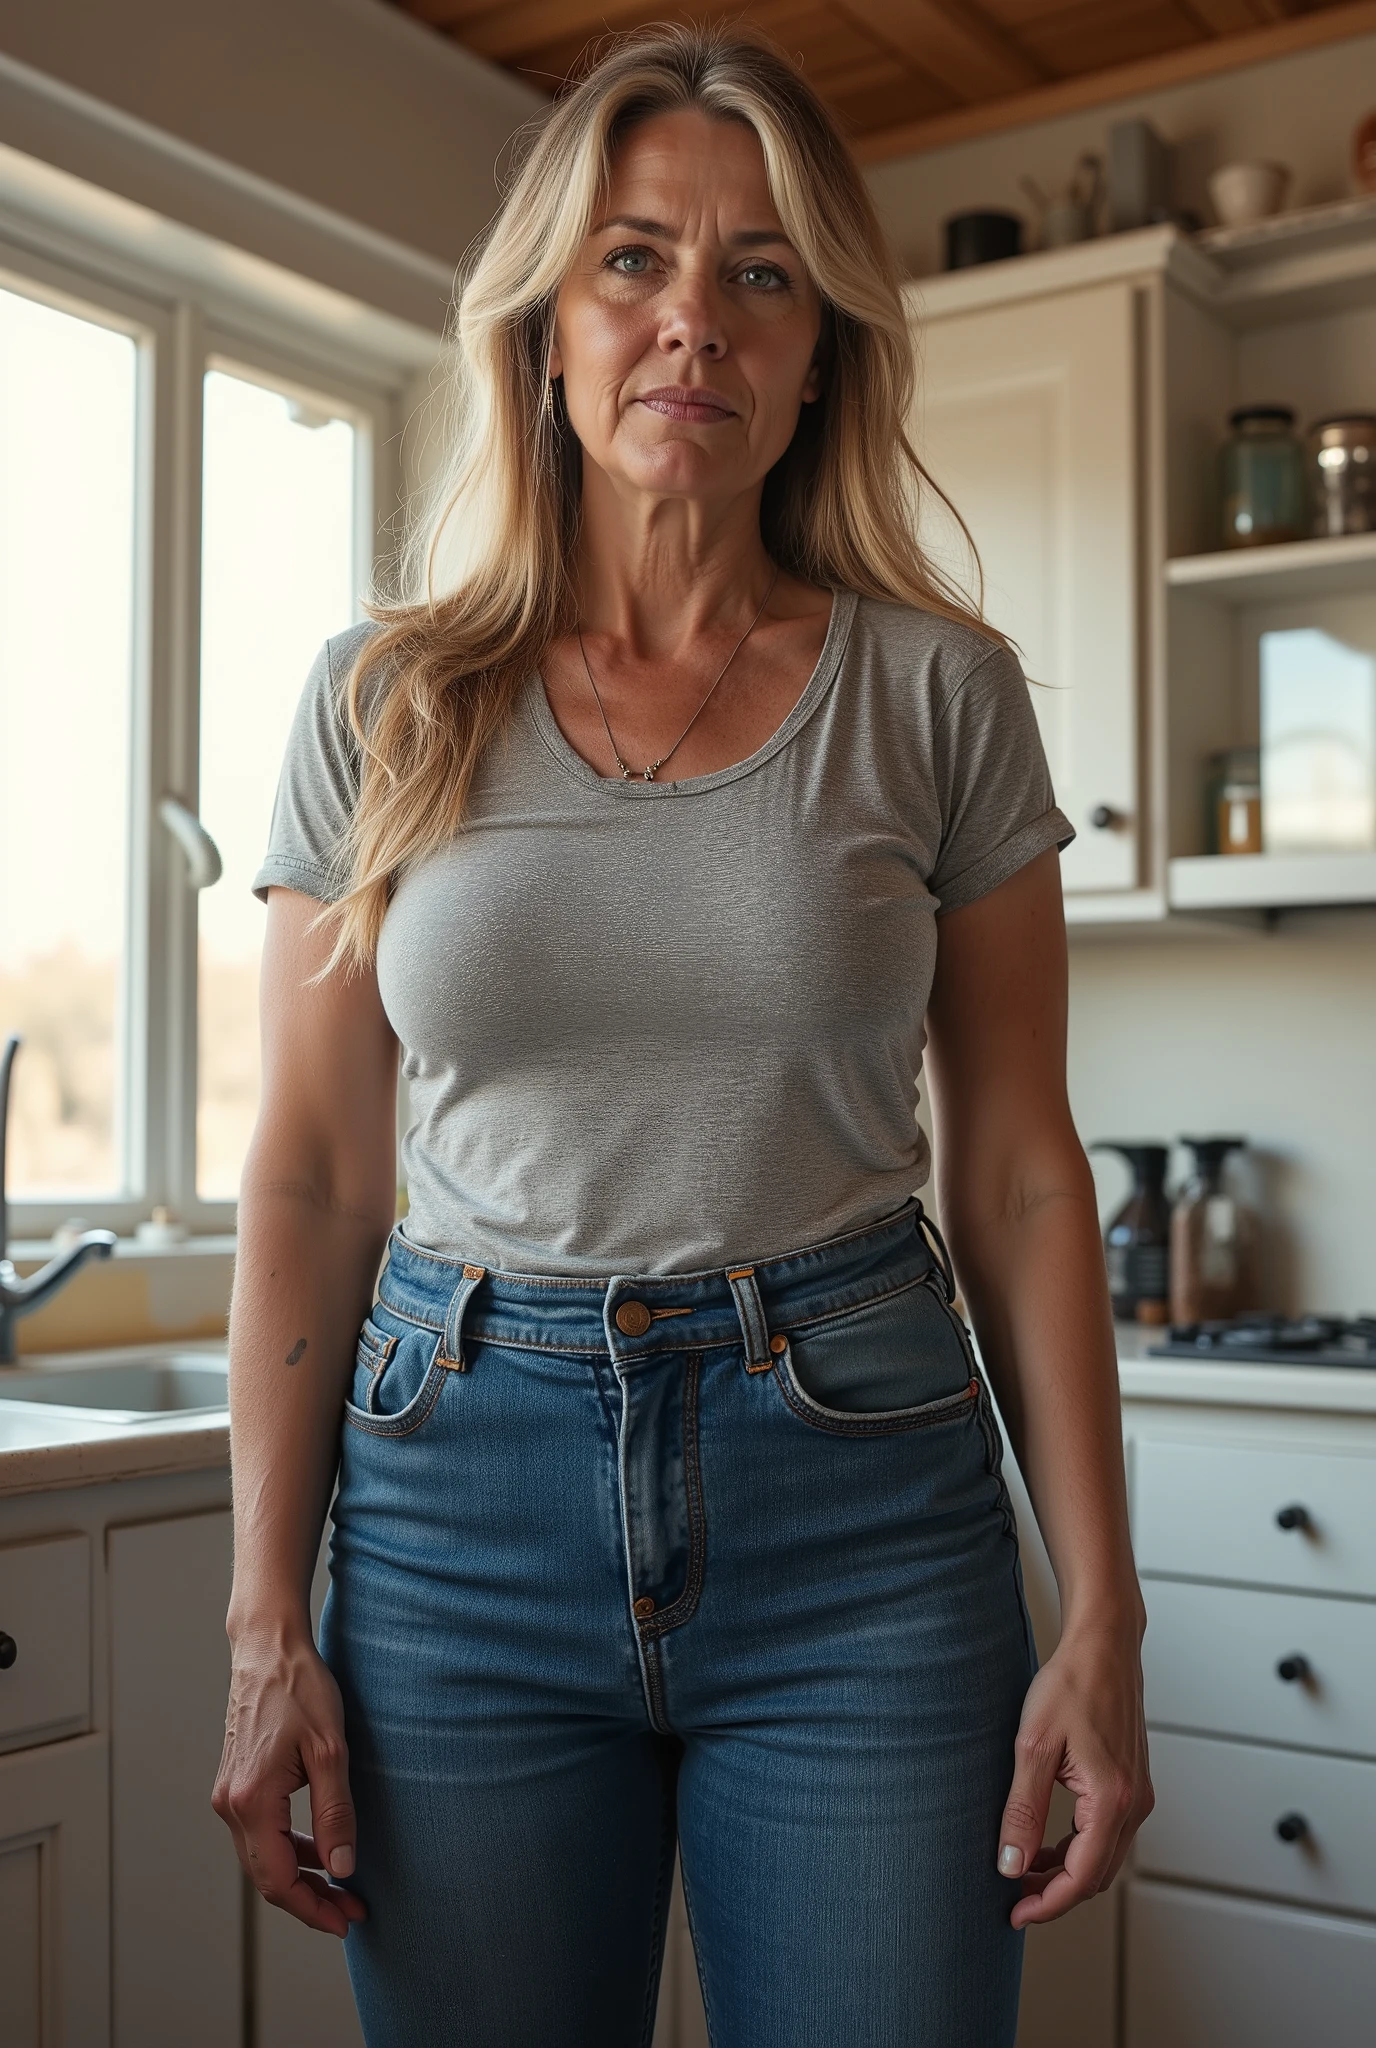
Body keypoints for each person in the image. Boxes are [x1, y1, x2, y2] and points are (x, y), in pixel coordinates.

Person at [212, 26, 1152, 2047]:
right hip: (455, 1502)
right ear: (542, 322)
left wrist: (1105, 1614)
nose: (690, 322)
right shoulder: (380, 700)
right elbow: (306, 1171)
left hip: (863, 1509)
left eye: (762, 273)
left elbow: (1014, 1170)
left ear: (821, 350)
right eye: (632, 260)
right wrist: (261, 1626)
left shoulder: (940, 692)